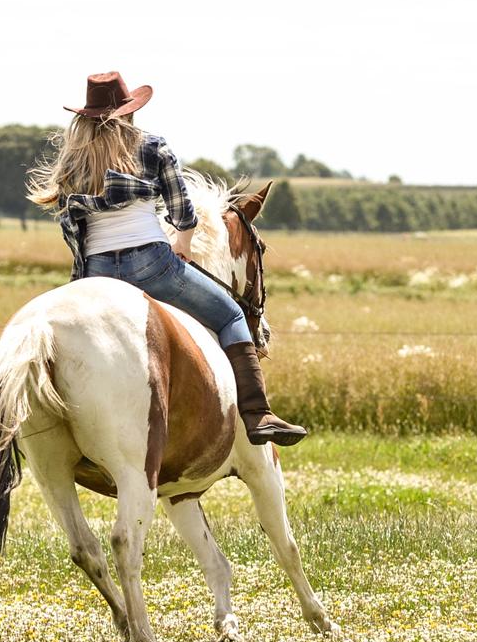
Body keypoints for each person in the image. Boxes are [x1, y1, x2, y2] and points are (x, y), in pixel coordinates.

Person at [27, 71, 306, 446]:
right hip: (151, 264)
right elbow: (182, 211)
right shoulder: (151, 147)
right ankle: (258, 416)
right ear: (128, 112)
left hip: (96, 274)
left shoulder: (73, 160)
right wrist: (185, 244)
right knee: (232, 315)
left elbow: (72, 225)